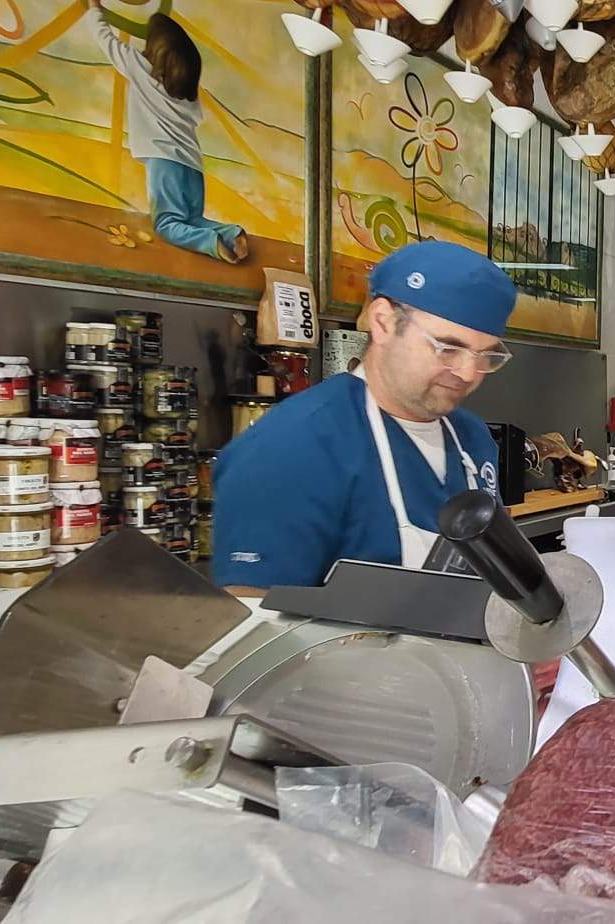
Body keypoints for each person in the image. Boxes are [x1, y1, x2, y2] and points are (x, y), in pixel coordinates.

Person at [212, 241, 515, 590]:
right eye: (448, 348)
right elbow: (257, 622)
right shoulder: (291, 448)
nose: (467, 373)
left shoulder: (472, 438)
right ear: (383, 322)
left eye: (486, 356)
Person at [86, 0, 248, 264]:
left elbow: (106, 41)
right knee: (193, 219)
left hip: (164, 162)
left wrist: (94, 9)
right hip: (192, 164)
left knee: (166, 224)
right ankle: (232, 233)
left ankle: (211, 242)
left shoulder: (142, 69)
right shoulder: (188, 93)